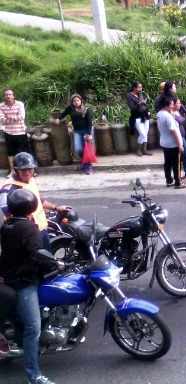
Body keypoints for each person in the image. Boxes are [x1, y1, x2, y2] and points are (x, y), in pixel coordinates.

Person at [0, 188, 62, 384]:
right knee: (33, 328)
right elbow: (37, 252)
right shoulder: (29, 229)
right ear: (33, 207)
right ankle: (34, 376)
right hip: (23, 282)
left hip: (9, 275)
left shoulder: (7, 225)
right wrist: (56, 263)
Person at [0, 152, 72, 250]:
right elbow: (6, 209)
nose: (27, 173)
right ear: (16, 170)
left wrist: (56, 208)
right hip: (28, 232)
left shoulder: (30, 180)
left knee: (46, 255)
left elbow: (39, 200)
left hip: (40, 228)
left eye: (30, 169)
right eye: (23, 170)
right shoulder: (10, 186)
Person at [54, 94, 95, 174]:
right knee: (78, 149)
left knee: (87, 149)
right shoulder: (70, 109)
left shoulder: (86, 110)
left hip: (86, 131)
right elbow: (63, 114)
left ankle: (88, 166)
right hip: (77, 131)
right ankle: (84, 162)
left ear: (81, 101)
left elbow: (90, 123)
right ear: (72, 102)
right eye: (74, 101)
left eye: (78, 100)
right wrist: (58, 119)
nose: (76, 102)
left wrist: (89, 134)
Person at [157, 96, 186, 189]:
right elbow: (174, 131)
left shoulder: (159, 114)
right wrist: (180, 144)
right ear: (166, 105)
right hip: (173, 144)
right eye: (171, 104)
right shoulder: (168, 116)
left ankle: (169, 180)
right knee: (177, 164)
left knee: (167, 163)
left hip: (165, 142)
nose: (173, 106)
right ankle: (178, 182)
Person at [0, 88, 30, 175]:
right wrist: (14, 117)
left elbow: (21, 117)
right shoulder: (1, 106)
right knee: (11, 153)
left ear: (13, 96)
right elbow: (2, 119)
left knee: (25, 151)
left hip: (20, 131)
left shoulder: (20, 104)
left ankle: (29, 170)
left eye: (10, 94)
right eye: (6, 95)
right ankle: (13, 171)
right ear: (4, 96)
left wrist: (8, 117)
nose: (8, 96)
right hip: (8, 132)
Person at [126, 81, 152, 157]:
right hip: (137, 117)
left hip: (145, 115)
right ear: (134, 87)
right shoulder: (129, 95)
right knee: (143, 134)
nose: (140, 89)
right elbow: (132, 108)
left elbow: (145, 105)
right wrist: (139, 104)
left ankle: (144, 150)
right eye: (139, 87)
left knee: (146, 133)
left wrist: (148, 111)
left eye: (141, 87)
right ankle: (138, 149)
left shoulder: (141, 94)